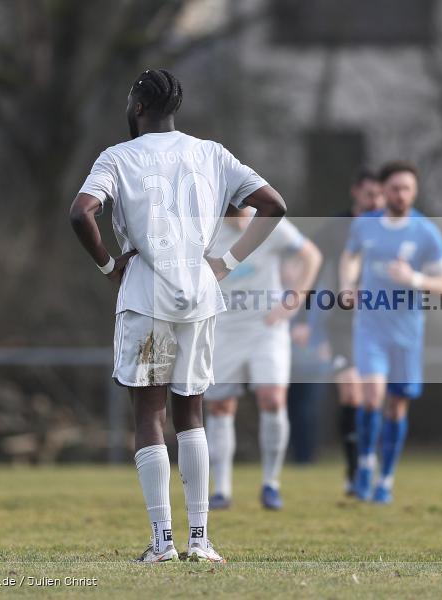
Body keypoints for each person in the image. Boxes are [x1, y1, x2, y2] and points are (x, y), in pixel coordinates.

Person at [69, 68, 285, 562]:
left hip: (148, 298)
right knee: (192, 413)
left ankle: (162, 541)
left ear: (138, 106)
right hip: (200, 297)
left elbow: (81, 212)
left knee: (149, 413)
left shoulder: (117, 157)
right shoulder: (211, 152)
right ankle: (200, 539)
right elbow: (273, 204)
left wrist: (107, 266)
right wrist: (225, 262)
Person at [340, 161, 442, 503]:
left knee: (396, 407)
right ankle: (364, 465)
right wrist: (347, 285)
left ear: (414, 191)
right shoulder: (365, 225)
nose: (400, 194)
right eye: (394, 188)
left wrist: (414, 279)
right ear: (384, 190)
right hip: (370, 327)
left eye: (406, 188)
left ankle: (385, 480)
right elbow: (350, 258)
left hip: (406, 332)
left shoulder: (426, 233)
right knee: (372, 394)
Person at [203, 208, 321, 511]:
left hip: (266, 327)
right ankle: (222, 490)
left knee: (272, 398)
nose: (240, 211)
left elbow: (311, 256)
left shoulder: (267, 223)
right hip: (223, 329)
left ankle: (271, 484)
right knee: (220, 405)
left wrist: (291, 304)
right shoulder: (205, 226)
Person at [311, 167, 384, 494]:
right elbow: (310, 266)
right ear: (356, 192)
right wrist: (302, 319)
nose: (376, 201)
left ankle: (368, 462)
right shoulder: (336, 228)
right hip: (341, 325)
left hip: (379, 323)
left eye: (380, 195)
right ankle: (354, 470)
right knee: (351, 393)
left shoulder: (388, 228)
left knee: (373, 397)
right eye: (370, 194)